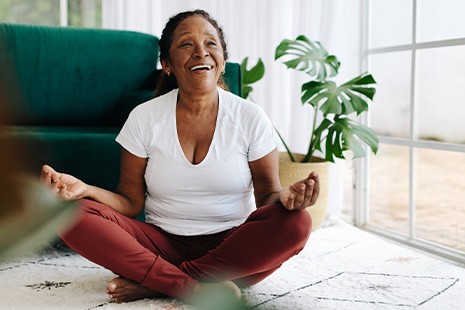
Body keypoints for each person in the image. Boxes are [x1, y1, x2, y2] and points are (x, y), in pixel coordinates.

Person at [40, 9, 319, 304]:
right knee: (68, 214)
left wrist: (287, 198)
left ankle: (161, 282)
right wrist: (85, 190)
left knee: (296, 223)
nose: (201, 52)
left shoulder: (250, 117)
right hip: (159, 243)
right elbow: (130, 201)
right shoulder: (144, 118)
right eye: (187, 44)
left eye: (211, 44)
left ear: (222, 60)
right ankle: (193, 285)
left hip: (231, 246)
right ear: (167, 64)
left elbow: (267, 198)